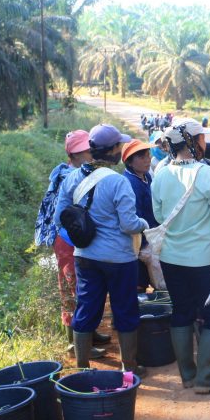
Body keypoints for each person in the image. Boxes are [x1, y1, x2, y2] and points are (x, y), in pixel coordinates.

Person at [55, 124, 149, 374]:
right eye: (120, 145)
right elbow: (129, 225)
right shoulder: (118, 182)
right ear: (113, 151)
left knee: (86, 308)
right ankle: (129, 368)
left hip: (85, 256)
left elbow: (60, 218)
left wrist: (79, 239)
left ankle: (82, 368)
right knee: (125, 310)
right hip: (119, 258)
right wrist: (144, 224)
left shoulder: (71, 177)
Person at [152, 118, 210, 392]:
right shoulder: (206, 174)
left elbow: (159, 215)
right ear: (194, 142)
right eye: (203, 138)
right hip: (203, 260)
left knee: (181, 311)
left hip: (171, 258)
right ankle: (206, 377)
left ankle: (187, 375)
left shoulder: (161, 173)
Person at [50, 130, 109, 357]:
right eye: (86, 150)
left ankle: (89, 332)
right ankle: (75, 343)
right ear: (74, 154)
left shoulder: (82, 172)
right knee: (71, 289)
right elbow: (59, 216)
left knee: (88, 289)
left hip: (82, 239)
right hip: (68, 239)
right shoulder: (68, 176)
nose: (91, 154)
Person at [122, 138, 166, 291]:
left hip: (152, 236)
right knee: (139, 282)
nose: (147, 160)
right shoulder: (129, 183)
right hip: (138, 242)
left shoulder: (146, 176)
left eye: (148, 155)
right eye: (142, 157)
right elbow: (134, 216)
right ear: (129, 162)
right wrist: (144, 244)